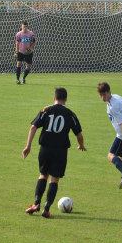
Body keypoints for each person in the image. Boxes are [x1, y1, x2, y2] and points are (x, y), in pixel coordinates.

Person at [21, 87, 85, 217]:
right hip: (60, 151)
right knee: (54, 179)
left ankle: (36, 203)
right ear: (65, 99)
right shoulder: (70, 114)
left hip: (45, 149)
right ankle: (46, 208)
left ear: (54, 98)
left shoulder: (46, 110)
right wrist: (81, 145)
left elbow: (33, 127)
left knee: (43, 175)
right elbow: (79, 134)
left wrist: (28, 146)